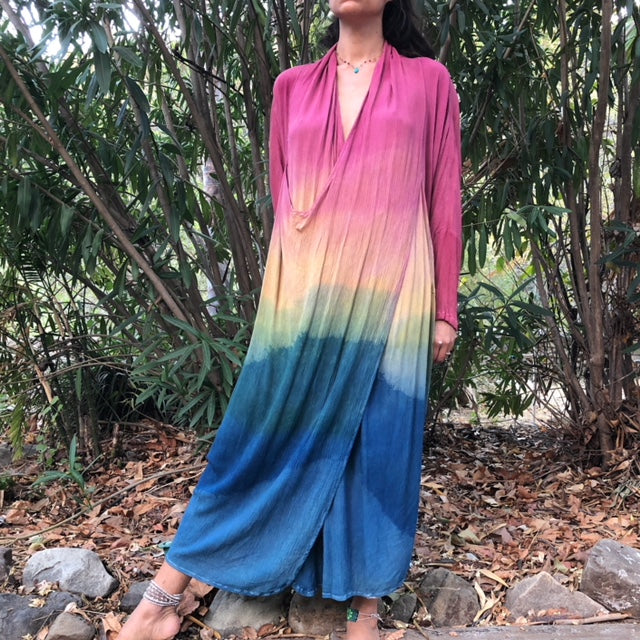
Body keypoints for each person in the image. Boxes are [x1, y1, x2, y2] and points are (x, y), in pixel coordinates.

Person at [117, 0, 461, 638]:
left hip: (395, 286)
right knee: (259, 432)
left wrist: (446, 308)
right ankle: (165, 593)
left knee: (380, 440)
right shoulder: (292, 87)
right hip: (304, 293)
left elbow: (442, 193)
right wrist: (293, 290)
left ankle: (364, 607)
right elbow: (284, 199)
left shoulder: (427, 81)